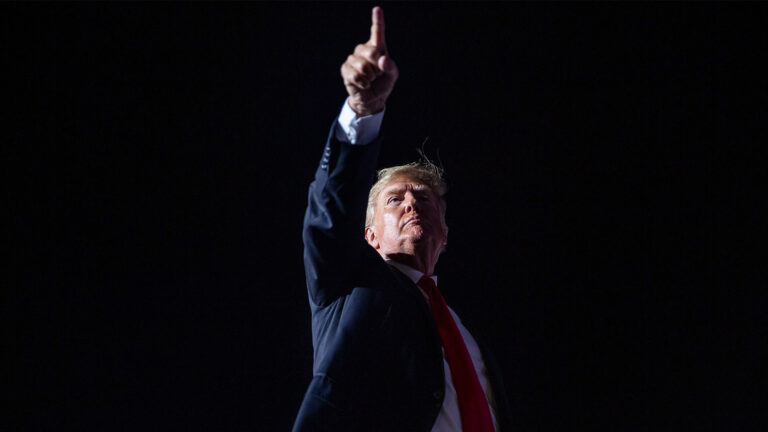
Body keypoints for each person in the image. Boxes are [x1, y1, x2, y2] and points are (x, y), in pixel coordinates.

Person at [293, 7, 510, 431]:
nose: (413, 205)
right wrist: (362, 111)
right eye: (395, 199)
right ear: (369, 235)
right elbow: (330, 214)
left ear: (445, 234)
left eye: (425, 199)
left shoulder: (469, 337)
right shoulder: (350, 283)